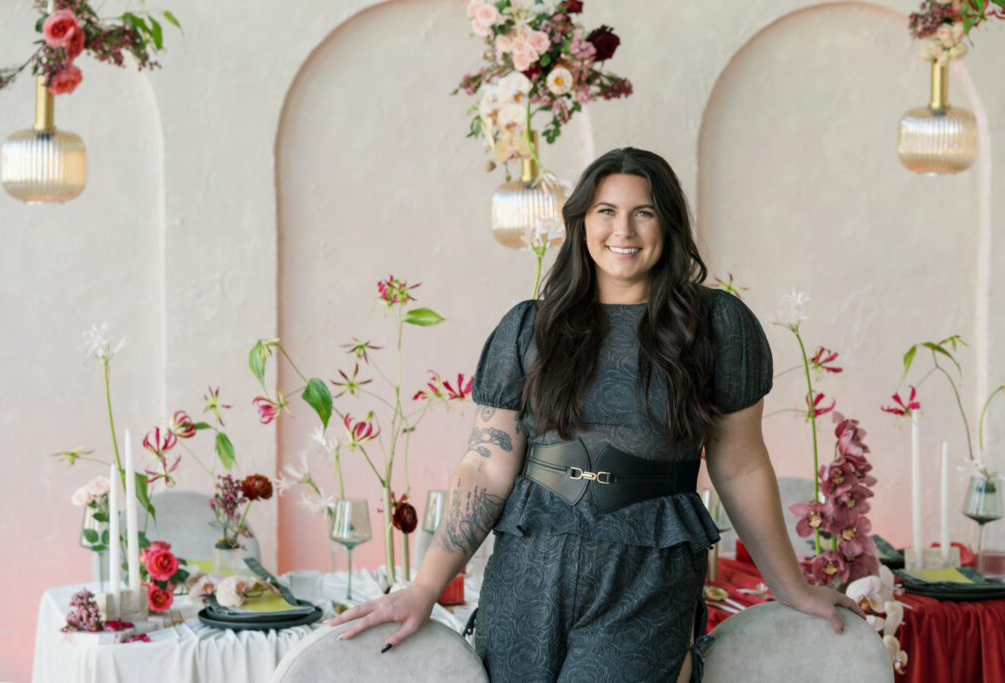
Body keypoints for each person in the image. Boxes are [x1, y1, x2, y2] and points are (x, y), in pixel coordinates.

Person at [328, 147, 864, 682]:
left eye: (643, 212)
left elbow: (740, 465)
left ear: (668, 223)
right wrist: (424, 587)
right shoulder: (529, 328)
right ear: (582, 222)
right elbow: (486, 465)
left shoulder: (718, 325)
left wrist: (790, 587)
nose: (622, 230)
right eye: (606, 211)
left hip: (646, 578)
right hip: (527, 573)